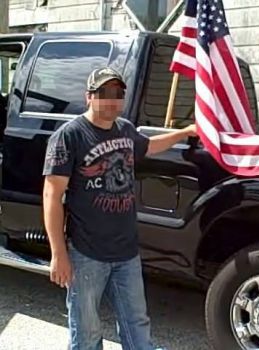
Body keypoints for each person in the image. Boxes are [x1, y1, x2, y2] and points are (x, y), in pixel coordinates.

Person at [42, 67, 196, 350]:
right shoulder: (69, 136)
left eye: (117, 94)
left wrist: (184, 132)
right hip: (87, 254)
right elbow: (52, 196)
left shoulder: (125, 129)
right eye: (103, 94)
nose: (111, 101)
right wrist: (58, 254)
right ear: (88, 96)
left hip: (126, 253)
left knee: (137, 325)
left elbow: (149, 145)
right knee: (86, 333)